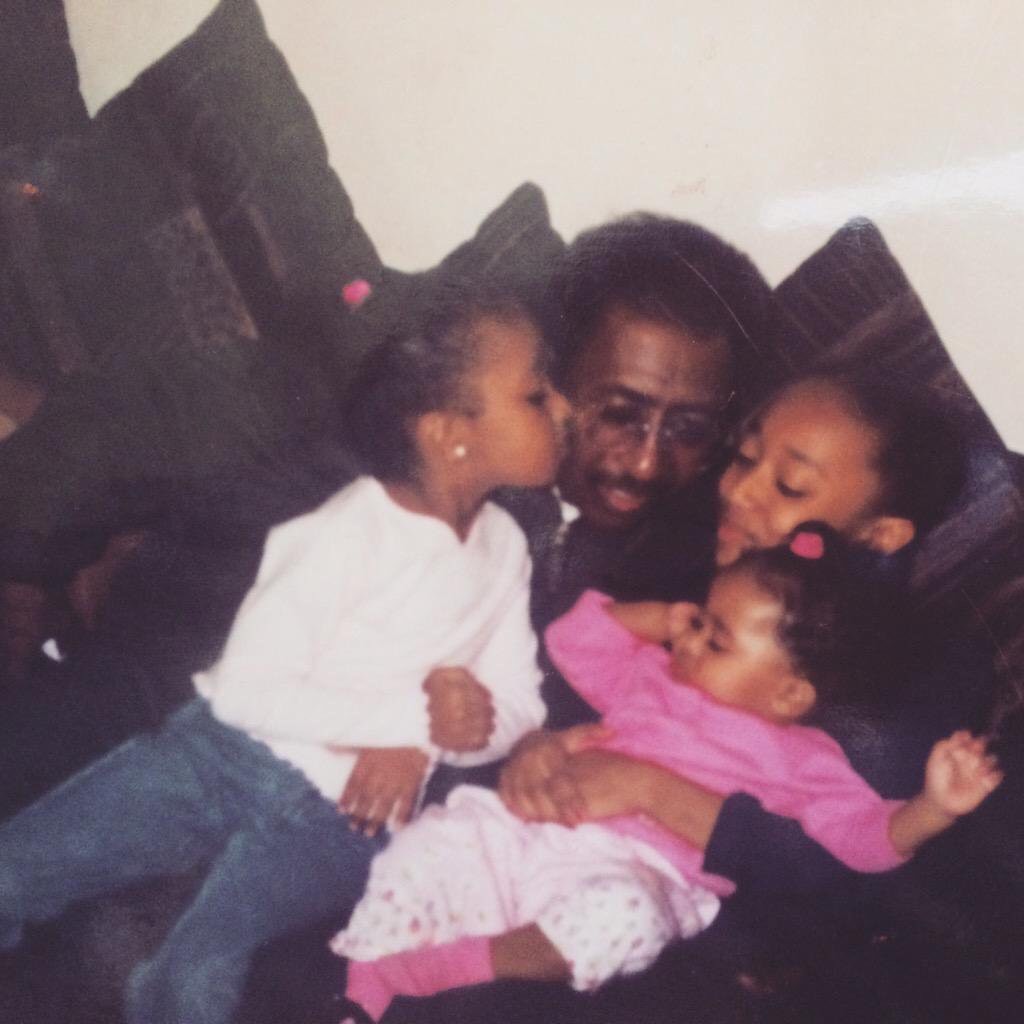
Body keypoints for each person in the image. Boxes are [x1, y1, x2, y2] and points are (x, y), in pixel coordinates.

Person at [0, 283, 567, 1024]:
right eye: (536, 395)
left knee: (199, 967)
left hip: (349, 821)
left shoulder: (506, 550)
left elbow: (519, 703)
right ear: (448, 433)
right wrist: (406, 723)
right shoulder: (346, 532)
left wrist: (460, 731)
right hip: (226, 755)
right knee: (21, 865)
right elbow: (243, 691)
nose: (566, 410)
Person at [330, 527, 1000, 1022]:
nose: (690, 641)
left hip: (639, 872)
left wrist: (934, 806)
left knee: (624, 919)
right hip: (531, 823)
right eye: (699, 621)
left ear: (788, 696)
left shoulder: (805, 757)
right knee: (429, 844)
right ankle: (361, 988)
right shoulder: (654, 673)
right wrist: (649, 620)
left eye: (716, 640)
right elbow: (571, 644)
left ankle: (440, 968)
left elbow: (862, 838)